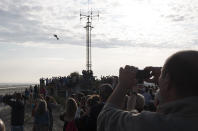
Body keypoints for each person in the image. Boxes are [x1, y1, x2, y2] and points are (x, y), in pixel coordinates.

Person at [98, 50, 198, 131]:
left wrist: (122, 85)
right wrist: (168, 77)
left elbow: (106, 118)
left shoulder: (154, 124)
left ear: (167, 80)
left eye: (162, 76)